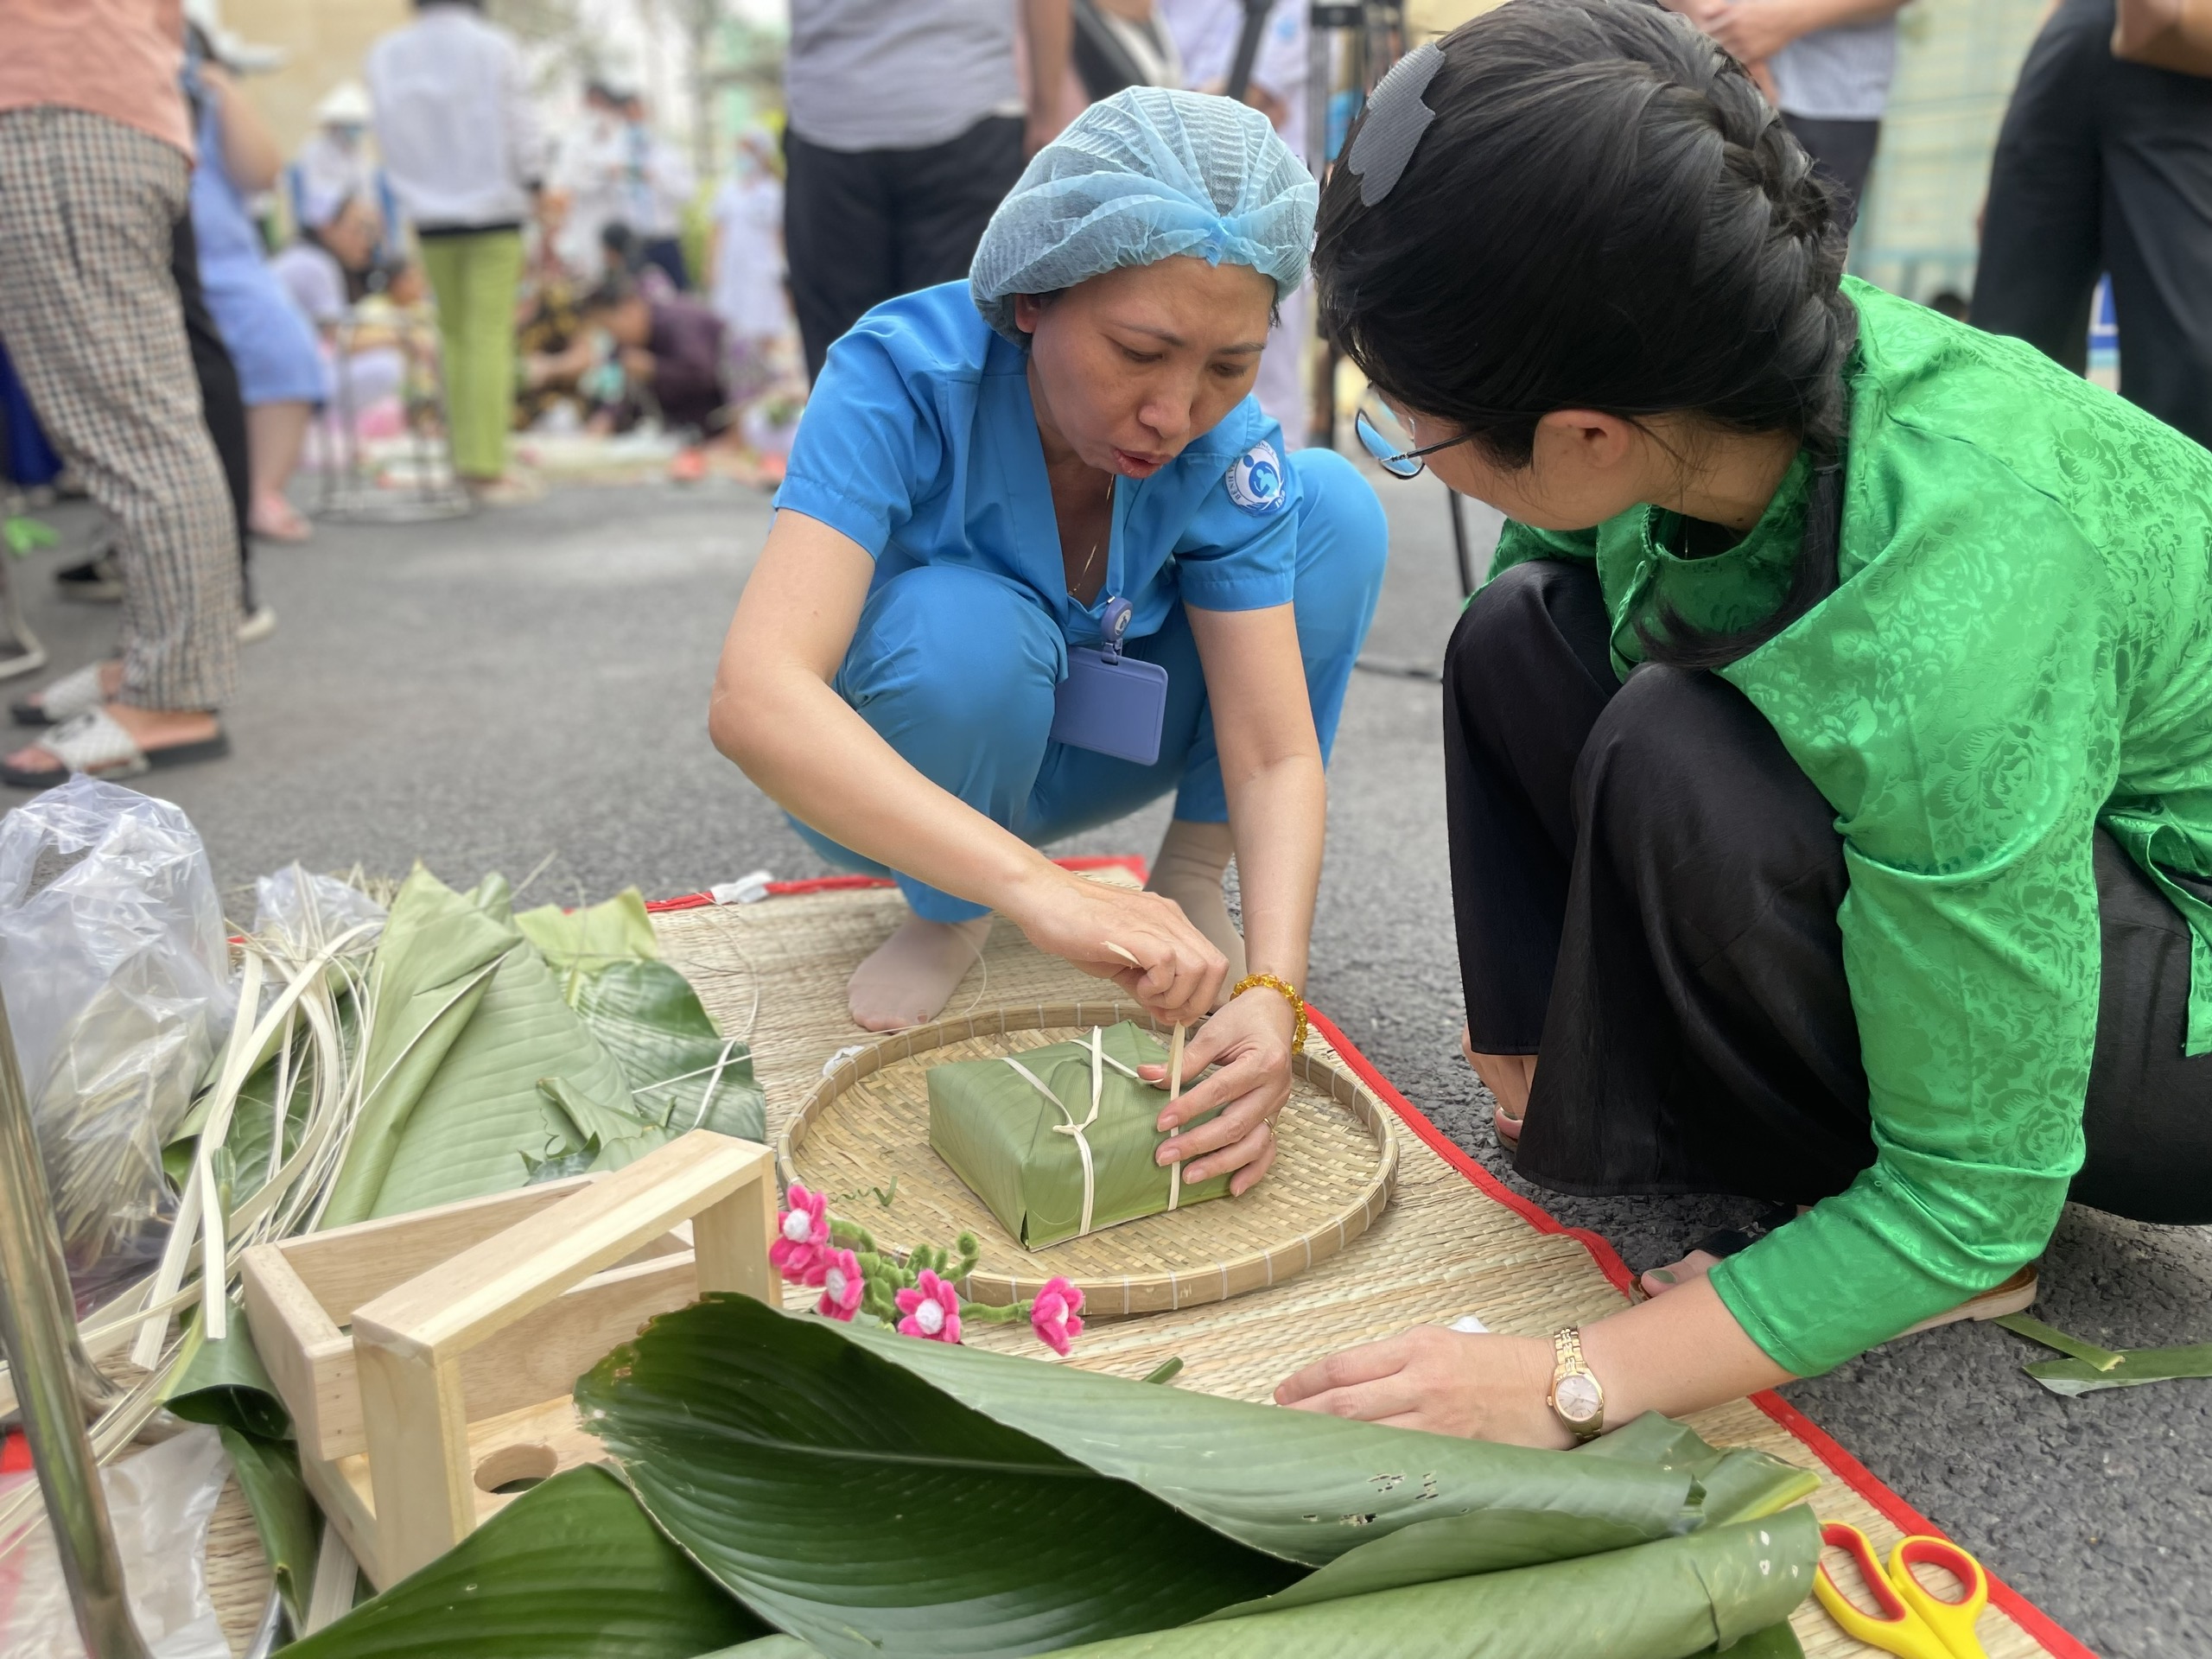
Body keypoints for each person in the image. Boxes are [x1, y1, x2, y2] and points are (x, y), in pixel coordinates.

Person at [1274, 1, 2212, 1447]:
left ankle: (1906, 1233)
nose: (1426, 460)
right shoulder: (1720, 381)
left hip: (2179, 976)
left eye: (1418, 433)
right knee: (1523, 633)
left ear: (1585, 434)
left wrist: (1574, 1379)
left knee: (1683, 747)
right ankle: (1655, 1103)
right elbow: (1549, 583)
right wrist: (1529, 1012)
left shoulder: (1947, 618)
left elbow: (1976, 1196)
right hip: (2008, 810)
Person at [710, 92, 1388, 1196]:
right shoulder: (899, 374)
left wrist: (1275, 989)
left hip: (1080, 755)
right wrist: (1040, 891)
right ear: (1031, 296)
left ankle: (1191, 874)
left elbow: (1272, 751)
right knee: (962, 632)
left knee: (1333, 509)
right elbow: (754, 697)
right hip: (898, 759)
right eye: (1140, 351)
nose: (1174, 412)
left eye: (1228, 366)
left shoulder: (1223, 450)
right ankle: (948, 910)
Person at [0, 0, 239, 786]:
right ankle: (147, 667)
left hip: (55, 104)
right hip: (82, 99)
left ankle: (169, 694)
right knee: (124, 416)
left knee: (129, 424)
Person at [783, 0, 1076, 381]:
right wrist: (1047, 114)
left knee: (846, 368)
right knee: (963, 363)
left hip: (834, 116)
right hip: (964, 107)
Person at [1973, 0, 2212, 449]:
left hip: (2191, 59)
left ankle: (2177, 514)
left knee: (2191, 368)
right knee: (2011, 348)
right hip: (2077, 35)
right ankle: (1999, 510)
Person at [366, 0, 548, 501]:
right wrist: (537, 188)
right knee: (488, 333)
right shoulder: (494, 47)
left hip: (428, 214)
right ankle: (487, 466)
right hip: (495, 207)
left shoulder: (387, 53)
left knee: (452, 333)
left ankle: (464, 459)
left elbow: (386, 133)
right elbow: (523, 126)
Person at [186, 36, 327, 545]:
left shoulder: (207, 97)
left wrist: (219, 85)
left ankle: (259, 491)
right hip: (170, 262)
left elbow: (264, 171)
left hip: (228, 262)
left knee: (286, 350)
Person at [1160, 0, 1314, 441]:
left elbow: (1246, 95)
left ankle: (1271, 492)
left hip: (1262, 207)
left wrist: (1155, 111)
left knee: (1257, 358)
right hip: (1171, 200)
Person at [1662, 0, 1908, 210]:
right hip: (1705, 74)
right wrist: (1718, 26)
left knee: (1816, 250)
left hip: (1837, 102)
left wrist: (1786, 19)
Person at [707, 128, 795, 410]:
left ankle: (766, 399)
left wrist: (785, 276)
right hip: (733, 272)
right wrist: (712, 265)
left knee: (765, 330)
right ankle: (738, 396)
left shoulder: (774, 192)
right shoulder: (728, 190)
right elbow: (717, 231)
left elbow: (781, 235)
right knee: (732, 331)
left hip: (763, 272)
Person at [572, 277, 728, 435]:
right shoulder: (626, 344)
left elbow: (704, 374)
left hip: (725, 421)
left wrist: (655, 368)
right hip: (681, 429)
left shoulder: (677, 321)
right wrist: (607, 417)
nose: (613, 336)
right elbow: (620, 388)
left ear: (630, 308)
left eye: (611, 327)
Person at [614, 91, 696, 292]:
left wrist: (657, 178)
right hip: (632, 242)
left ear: (648, 114)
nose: (633, 120)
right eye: (628, 115)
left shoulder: (668, 153)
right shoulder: (616, 153)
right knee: (636, 305)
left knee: (676, 298)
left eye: (637, 113)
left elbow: (688, 193)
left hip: (665, 237)